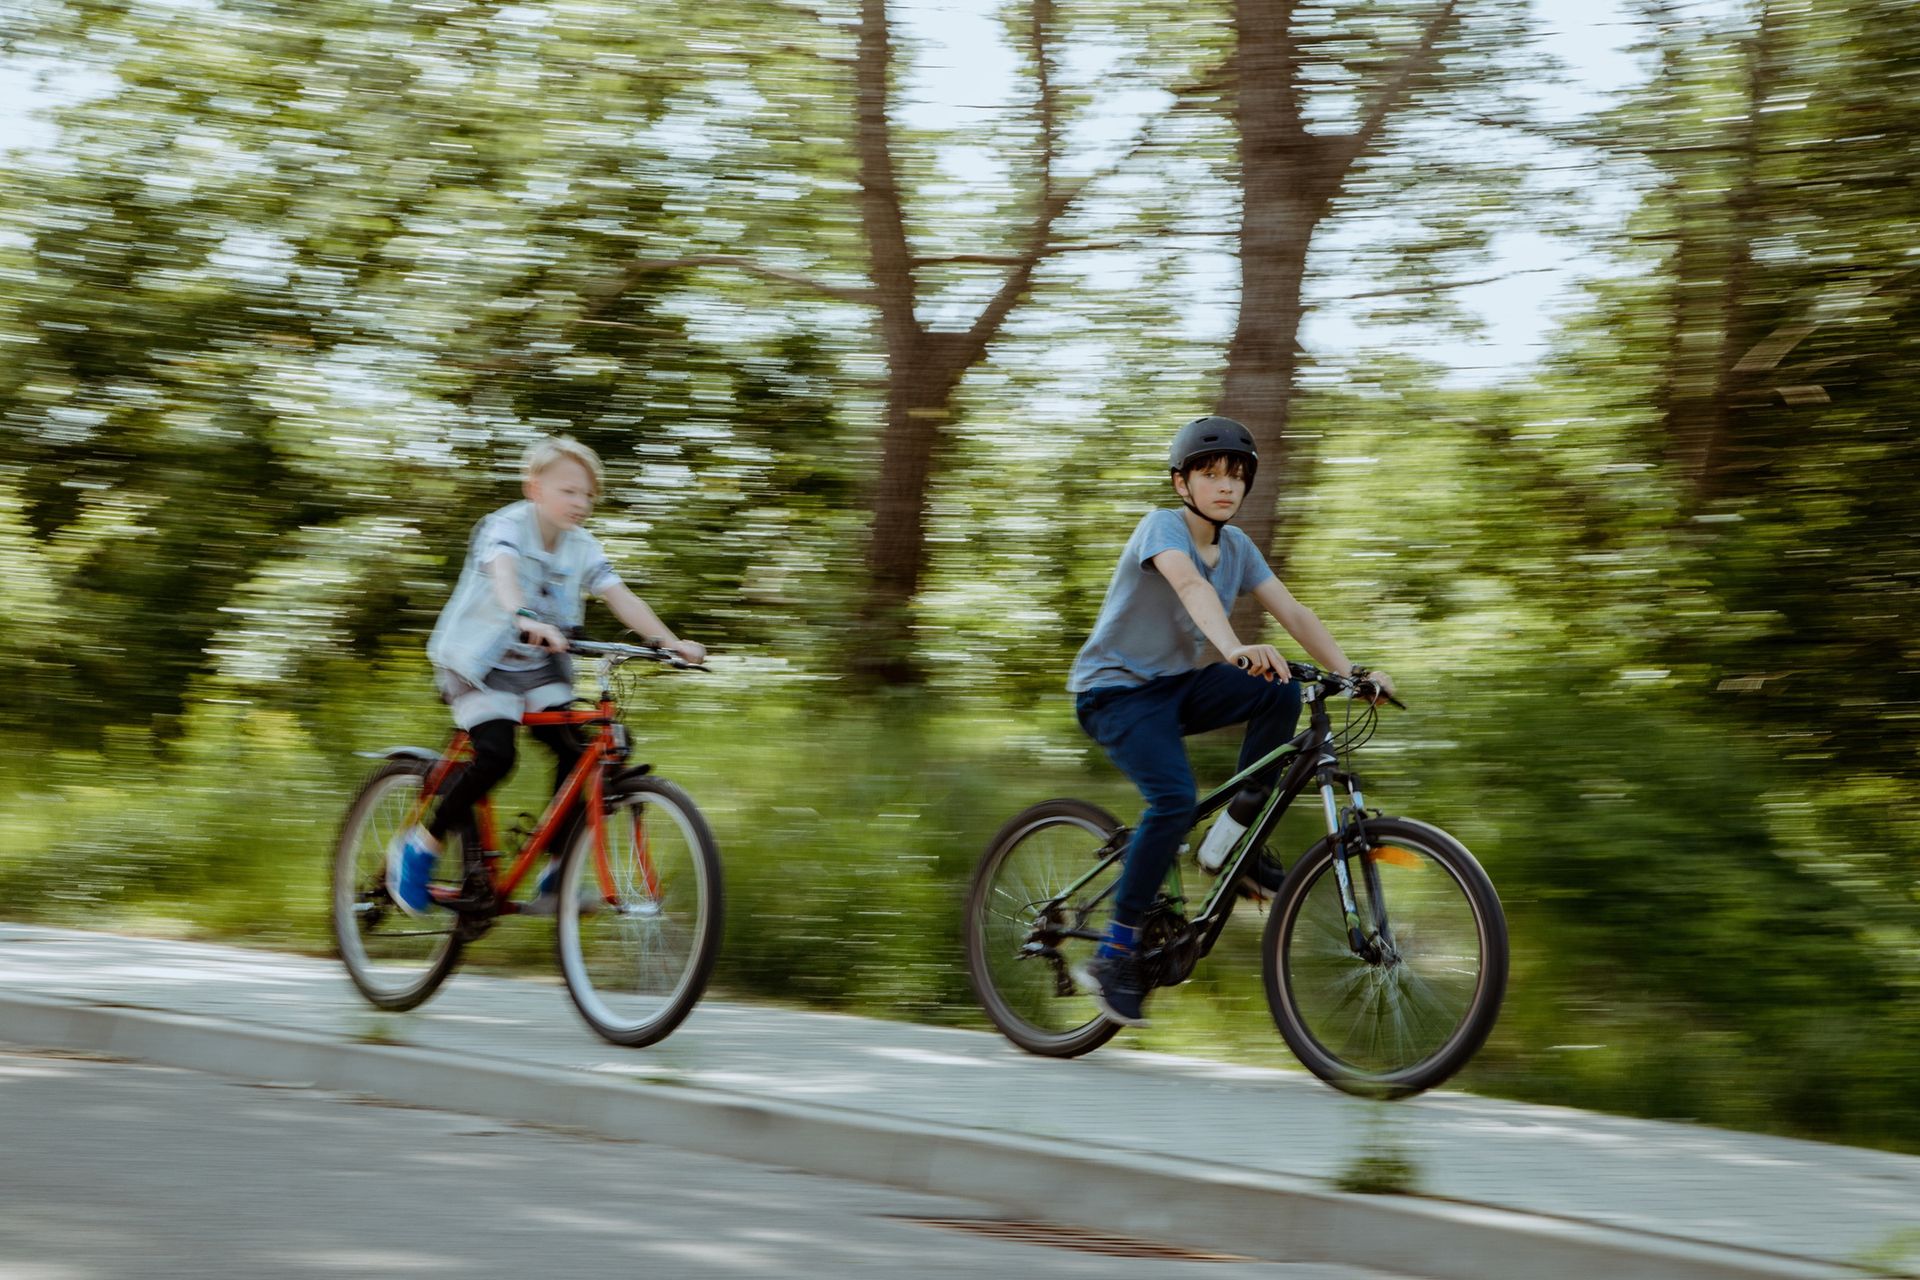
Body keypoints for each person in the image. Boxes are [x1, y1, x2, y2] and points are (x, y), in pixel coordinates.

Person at [1067, 416, 1395, 1026]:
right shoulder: (1161, 528)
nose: (1225, 487)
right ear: (1181, 482)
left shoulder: (1238, 547)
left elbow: (1293, 610)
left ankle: (1232, 844)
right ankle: (1114, 953)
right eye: (1210, 474)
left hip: (1175, 688)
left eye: (1236, 477)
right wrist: (1234, 647)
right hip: (1114, 694)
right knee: (1171, 800)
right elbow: (1190, 586)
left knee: (1278, 691)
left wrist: (1353, 672)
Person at [386, 436, 705, 917]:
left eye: (589, 496)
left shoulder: (583, 546)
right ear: (534, 488)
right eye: (569, 491)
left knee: (582, 753)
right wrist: (524, 615)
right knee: (495, 755)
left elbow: (621, 596)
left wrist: (670, 642)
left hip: (536, 670)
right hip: (478, 666)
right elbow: (503, 576)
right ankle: (420, 847)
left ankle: (556, 872)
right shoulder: (506, 526)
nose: (581, 503)